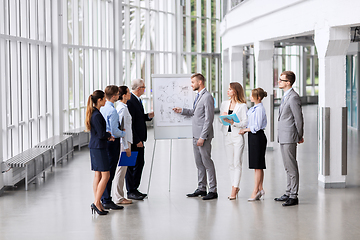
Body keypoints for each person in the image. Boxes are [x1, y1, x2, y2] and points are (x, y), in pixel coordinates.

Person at [173, 73, 218, 200]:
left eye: (193, 82)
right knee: (199, 163)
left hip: (203, 136)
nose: (191, 85)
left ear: (200, 82)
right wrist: (181, 110)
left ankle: (213, 190)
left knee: (207, 162)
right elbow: (194, 112)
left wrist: (202, 137)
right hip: (195, 135)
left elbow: (209, 119)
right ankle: (201, 188)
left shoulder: (208, 97)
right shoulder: (199, 96)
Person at [274, 71, 304, 207]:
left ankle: (294, 195)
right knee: (287, 166)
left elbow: (299, 119)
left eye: (281, 80)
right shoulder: (286, 96)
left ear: (288, 83)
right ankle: (288, 191)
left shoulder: (293, 97)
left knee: (291, 167)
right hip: (283, 136)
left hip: (290, 136)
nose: (279, 81)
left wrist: (299, 135)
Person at [85, 90, 114, 215]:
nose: (105, 100)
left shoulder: (95, 113)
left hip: (96, 146)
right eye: (103, 99)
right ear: (99, 100)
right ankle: (96, 202)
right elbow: (101, 133)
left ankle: (98, 202)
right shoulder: (96, 115)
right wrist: (109, 135)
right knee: (105, 175)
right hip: (98, 147)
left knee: (98, 175)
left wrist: (107, 136)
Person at [126, 79, 154, 200]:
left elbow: (138, 119)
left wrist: (148, 116)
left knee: (139, 164)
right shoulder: (130, 101)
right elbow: (129, 124)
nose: (145, 89)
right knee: (132, 165)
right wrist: (136, 140)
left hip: (138, 139)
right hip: (134, 141)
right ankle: (131, 190)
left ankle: (134, 189)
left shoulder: (137, 100)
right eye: (144, 87)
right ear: (139, 89)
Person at [219, 83, 248, 200]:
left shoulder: (242, 106)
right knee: (230, 163)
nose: (228, 91)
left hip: (237, 136)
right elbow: (221, 120)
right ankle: (233, 186)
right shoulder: (224, 104)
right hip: (227, 135)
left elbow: (245, 123)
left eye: (230, 89)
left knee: (237, 163)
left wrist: (233, 122)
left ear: (235, 91)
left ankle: (235, 188)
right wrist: (223, 118)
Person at [100, 85, 126, 210]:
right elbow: (115, 131)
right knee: (110, 172)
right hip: (113, 142)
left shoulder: (102, 109)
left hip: (105, 142)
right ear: (115, 96)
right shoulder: (113, 111)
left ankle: (103, 197)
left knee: (105, 171)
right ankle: (107, 199)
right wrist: (124, 133)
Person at [239, 88, 268, 201]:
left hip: (258, 136)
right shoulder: (252, 109)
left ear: (258, 97)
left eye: (252, 95)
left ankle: (256, 190)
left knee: (258, 165)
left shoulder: (260, 109)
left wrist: (245, 130)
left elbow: (257, 126)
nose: (250, 97)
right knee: (257, 165)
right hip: (252, 137)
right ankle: (260, 188)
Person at [113, 86, 133, 205]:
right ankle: (119, 197)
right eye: (129, 92)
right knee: (121, 169)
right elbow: (121, 128)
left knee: (124, 169)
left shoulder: (125, 107)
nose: (130, 94)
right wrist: (126, 146)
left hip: (127, 142)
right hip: (124, 144)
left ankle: (120, 195)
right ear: (124, 95)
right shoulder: (122, 109)